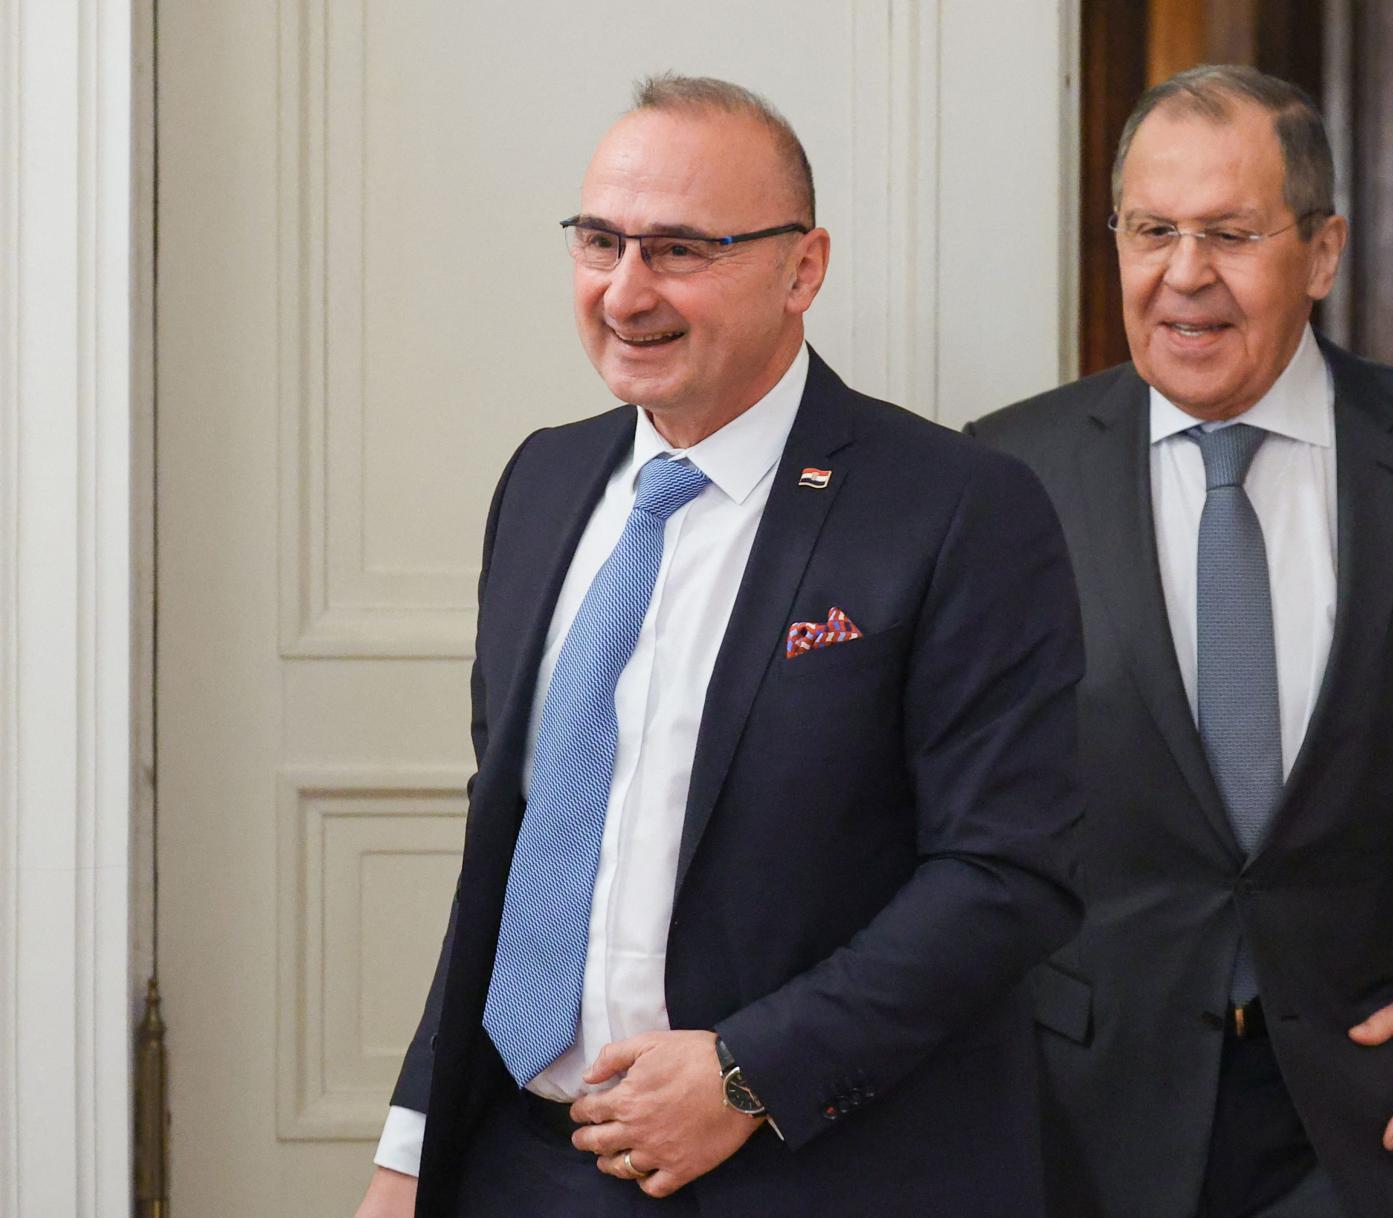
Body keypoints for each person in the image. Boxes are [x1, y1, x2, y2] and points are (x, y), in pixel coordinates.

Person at [354, 73, 1084, 1218]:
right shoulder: (543, 481)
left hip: (814, 1170)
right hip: (527, 1165)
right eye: (601, 241)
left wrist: (751, 1074)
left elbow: (1006, 876)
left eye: (680, 250)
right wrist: (410, 1152)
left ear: (803, 269)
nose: (625, 291)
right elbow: (515, 850)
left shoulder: (957, 509)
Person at [969, 65, 1393, 1218]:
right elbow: (960, 809)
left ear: (1322, 253)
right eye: (1151, 230)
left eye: (1230, 233)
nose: (1185, 273)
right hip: (1092, 1118)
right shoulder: (1010, 475)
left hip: (1389, 1111)